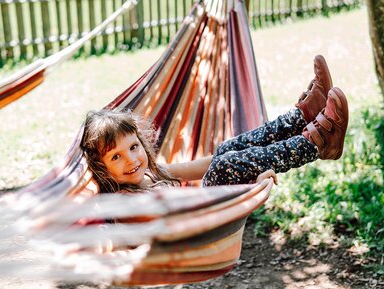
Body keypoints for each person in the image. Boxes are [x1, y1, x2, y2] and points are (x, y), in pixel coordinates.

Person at [80, 55, 349, 193]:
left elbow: (204, 165)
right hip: (203, 215)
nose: (131, 160)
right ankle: (315, 144)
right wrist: (242, 188)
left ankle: (302, 117)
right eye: (116, 156)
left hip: (209, 203)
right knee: (224, 165)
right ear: (101, 168)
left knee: (225, 151)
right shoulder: (125, 199)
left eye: (134, 147)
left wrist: (246, 174)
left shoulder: (149, 173)